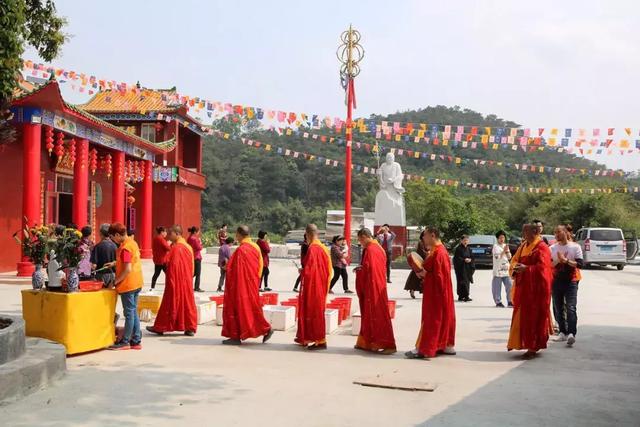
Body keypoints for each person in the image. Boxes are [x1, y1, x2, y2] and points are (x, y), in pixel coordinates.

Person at [405, 227, 456, 359]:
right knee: (443, 318)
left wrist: (424, 275)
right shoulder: (439, 251)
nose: (423, 238)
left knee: (432, 320)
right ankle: (443, 345)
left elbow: (438, 276)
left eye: (425, 235)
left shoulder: (438, 252)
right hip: (441, 292)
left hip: (436, 293)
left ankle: (424, 348)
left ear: (433, 235)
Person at [221, 226, 273, 345]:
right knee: (251, 308)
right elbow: (259, 266)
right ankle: (263, 329)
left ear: (239, 234)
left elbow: (233, 268)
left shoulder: (241, 250)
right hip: (252, 283)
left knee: (241, 308)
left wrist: (226, 267)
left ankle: (238, 335)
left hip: (241, 285)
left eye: (236, 234)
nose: (235, 236)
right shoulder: (255, 247)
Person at [507, 224, 553, 358]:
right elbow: (514, 260)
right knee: (522, 317)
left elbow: (544, 269)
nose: (523, 234)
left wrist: (527, 269)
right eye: (523, 231)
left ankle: (533, 347)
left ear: (534, 232)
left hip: (536, 290)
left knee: (533, 318)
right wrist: (515, 267)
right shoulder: (523, 246)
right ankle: (522, 343)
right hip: (523, 288)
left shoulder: (541, 247)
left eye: (525, 232)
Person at [147, 225, 198, 337]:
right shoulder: (187, 247)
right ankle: (189, 328)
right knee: (187, 303)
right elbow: (191, 266)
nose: (169, 236)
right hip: (187, 280)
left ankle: (161, 327)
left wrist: (171, 281)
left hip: (176, 280)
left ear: (177, 233)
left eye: (171, 234)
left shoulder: (177, 248)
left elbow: (172, 266)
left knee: (170, 303)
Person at [354, 228, 396, 354]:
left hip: (374, 288)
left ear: (366, 236)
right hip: (375, 286)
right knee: (368, 315)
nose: (360, 242)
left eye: (361, 239)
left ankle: (388, 345)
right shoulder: (376, 248)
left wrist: (360, 271)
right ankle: (367, 342)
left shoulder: (372, 249)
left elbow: (370, 269)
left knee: (378, 316)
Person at [295, 224, 332, 350]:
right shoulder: (321, 247)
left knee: (314, 312)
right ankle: (312, 338)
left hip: (315, 287)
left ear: (308, 234)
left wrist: (303, 271)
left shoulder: (314, 249)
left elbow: (311, 270)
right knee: (316, 312)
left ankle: (320, 341)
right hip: (320, 284)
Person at [108, 223, 144, 350]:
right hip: (137, 282)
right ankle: (136, 340)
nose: (113, 240)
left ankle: (125, 340)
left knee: (129, 313)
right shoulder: (132, 243)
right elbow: (127, 262)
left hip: (129, 284)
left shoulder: (125, 248)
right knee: (133, 312)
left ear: (117, 235)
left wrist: (116, 281)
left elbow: (127, 269)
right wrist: (114, 263)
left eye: (113, 237)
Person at [550, 225, 584, 347]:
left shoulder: (575, 247)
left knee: (571, 307)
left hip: (571, 281)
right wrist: (558, 261)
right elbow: (549, 265)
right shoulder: (552, 248)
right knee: (558, 307)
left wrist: (566, 261)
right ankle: (562, 332)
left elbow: (580, 264)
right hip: (556, 280)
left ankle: (571, 333)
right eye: (555, 232)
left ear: (565, 232)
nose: (556, 235)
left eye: (558, 232)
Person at [404, 230, 428, 299]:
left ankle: (424, 292)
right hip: (419, 263)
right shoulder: (421, 243)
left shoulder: (427, 242)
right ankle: (412, 290)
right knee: (415, 278)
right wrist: (428, 253)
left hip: (425, 263)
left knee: (422, 279)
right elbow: (422, 252)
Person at [492, 230, 513, 307]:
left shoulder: (505, 246)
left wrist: (507, 251)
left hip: (506, 269)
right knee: (497, 287)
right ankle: (498, 301)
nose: (502, 239)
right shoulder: (495, 246)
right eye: (500, 238)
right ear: (497, 239)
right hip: (498, 269)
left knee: (509, 285)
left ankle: (510, 301)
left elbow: (509, 257)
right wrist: (504, 251)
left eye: (503, 238)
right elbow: (497, 257)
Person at [453, 235, 475, 302]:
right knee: (461, 282)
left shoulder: (469, 249)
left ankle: (466, 295)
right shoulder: (458, 249)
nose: (466, 242)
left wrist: (470, 260)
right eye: (464, 240)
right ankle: (461, 296)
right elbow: (457, 258)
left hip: (467, 268)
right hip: (461, 268)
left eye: (467, 240)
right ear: (461, 241)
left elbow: (472, 257)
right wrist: (464, 260)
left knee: (466, 282)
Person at [151, 226, 171, 290]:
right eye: (165, 232)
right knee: (169, 274)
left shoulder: (155, 238)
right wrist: (169, 244)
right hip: (163, 260)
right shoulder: (161, 239)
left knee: (156, 274)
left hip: (157, 260)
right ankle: (169, 286)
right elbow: (168, 248)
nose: (166, 233)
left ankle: (152, 287)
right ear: (162, 232)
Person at [187, 226, 204, 292]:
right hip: (197, 257)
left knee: (193, 272)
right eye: (198, 231)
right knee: (197, 273)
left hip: (191, 256)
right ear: (195, 232)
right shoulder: (195, 239)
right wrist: (200, 242)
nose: (198, 233)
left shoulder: (189, 238)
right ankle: (197, 287)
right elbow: (199, 248)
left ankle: (188, 284)